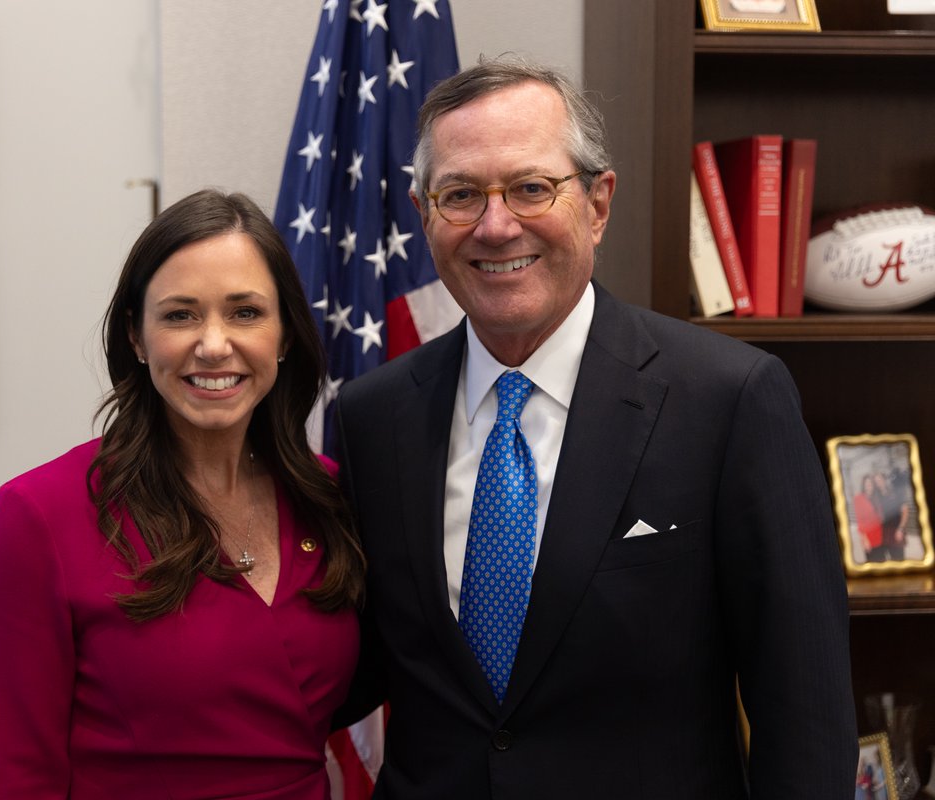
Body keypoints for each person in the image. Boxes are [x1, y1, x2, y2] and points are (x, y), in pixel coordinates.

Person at [333, 57, 857, 798]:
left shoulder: (729, 400)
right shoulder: (368, 419)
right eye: (459, 195)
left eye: (531, 187)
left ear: (598, 203)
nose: (495, 224)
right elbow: (343, 667)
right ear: (424, 216)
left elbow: (805, 714)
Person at [0, 189, 365, 799]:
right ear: (135, 336)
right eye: (180, 315)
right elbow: (18, 778)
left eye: (245, 313)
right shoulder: (38, 516)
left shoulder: (332, 495)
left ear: (284, 336)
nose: (213, 344)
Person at [875, 471, 910, 560]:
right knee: (885, 559)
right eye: (876, 482)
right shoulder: (877, 495)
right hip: (883, 533)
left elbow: (905, 511)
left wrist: (901, 529)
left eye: (879, 480)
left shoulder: (896, 491)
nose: (878, 483)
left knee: (898, 559)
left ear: (884, 479)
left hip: (896, 531)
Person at [855, 474, 887, 562]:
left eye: (870, 483)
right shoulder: (858, 499)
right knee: (872, 563)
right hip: (869, 538)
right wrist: (864, 540)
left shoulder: (876, 497)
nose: (869, 485)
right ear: (863, 485)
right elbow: (860, 521)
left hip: (881, 536)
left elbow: (881, 517)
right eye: (866, 483)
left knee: (882, 561)